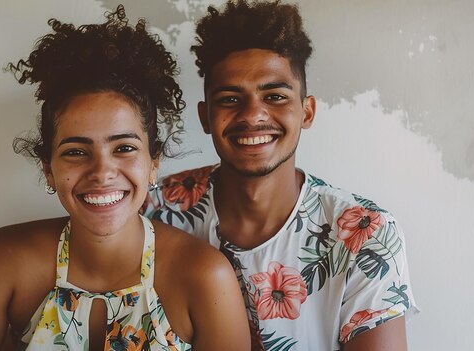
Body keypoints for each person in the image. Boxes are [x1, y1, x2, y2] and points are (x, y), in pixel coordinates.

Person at [0, 5, 250, 351]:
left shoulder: (205, 277)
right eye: (76, 152)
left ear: (153, 163)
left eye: (124, 148)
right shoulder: (4, 258)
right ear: (48, 169)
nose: (102, 173)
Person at [144, 1, 419, 350]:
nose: (253, 114)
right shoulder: (153, 210)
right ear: (205, 116)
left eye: (274, 96)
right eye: (230, 99)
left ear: (307, 111)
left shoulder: (366, 234)